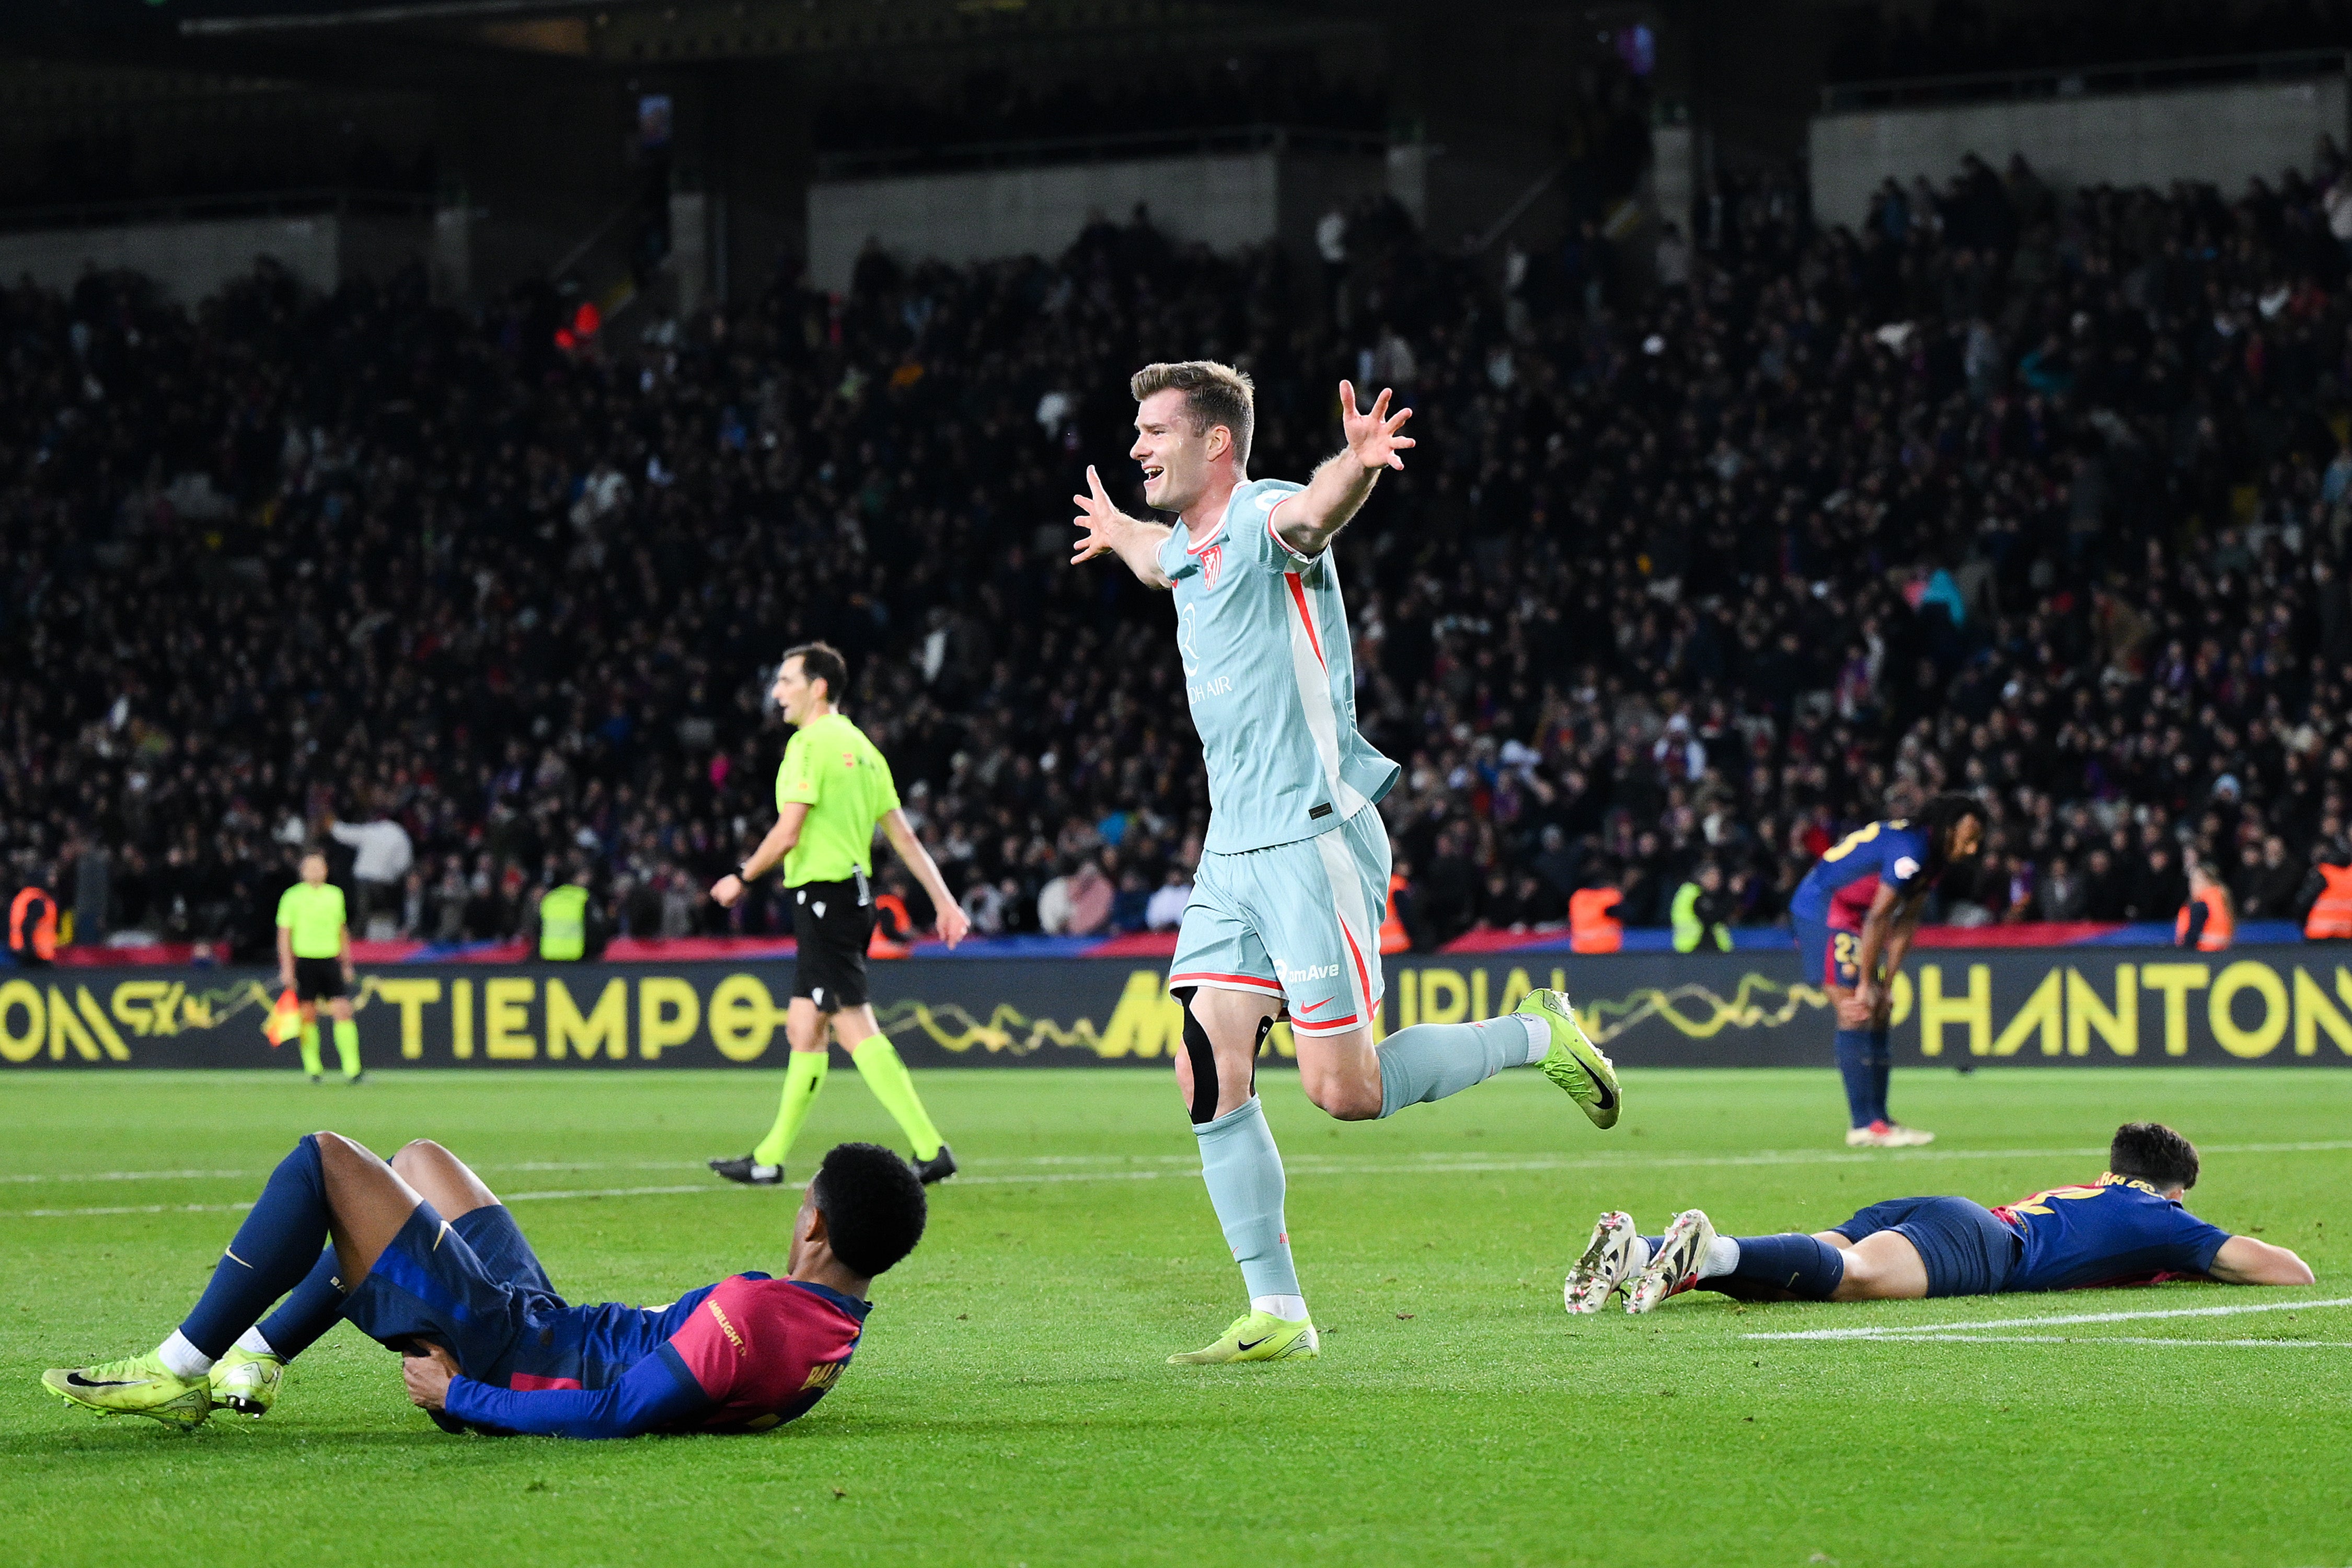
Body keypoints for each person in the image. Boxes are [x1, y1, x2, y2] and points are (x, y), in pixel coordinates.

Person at [1070, 360, 1621, 1366]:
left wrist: (1359, 464)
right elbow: (1160, 561)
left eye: (1155, 430)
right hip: (1230, 850)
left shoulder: (1265, 516)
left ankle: (1532, 1035)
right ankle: (1278, 1312)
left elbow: (1313, 517)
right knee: (1205, 1063)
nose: (1138, 445)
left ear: (1216, 444)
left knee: (1346, 1092)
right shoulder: (1191, 548)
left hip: (1312, 838)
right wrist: (1121, 538)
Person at [40, 1135, 923, 1435]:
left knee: (324, 1164)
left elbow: (620, 1412)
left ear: (813, 1224)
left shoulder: (750, 1316)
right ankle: (261, 1356)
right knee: (417, 1163)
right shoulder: (831, 1329)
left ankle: (180, 1368)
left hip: (510, 1355)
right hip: (548, 1325)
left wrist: (464, 1394)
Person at [707, 643, 972, 1189]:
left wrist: (742, 875)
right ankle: (768, 1158)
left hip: (824, 900)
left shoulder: (809, 745)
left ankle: (930, 1147)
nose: (778, 692)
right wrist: (945, 901)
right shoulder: (864, 749)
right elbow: (903, 837)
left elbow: (788, 831)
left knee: (853, 1026)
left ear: (818, 686)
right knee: (804, 1028)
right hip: (848, 899)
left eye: (786, 681)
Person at [1563, 1121, 2313, 1314]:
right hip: (1986, 1246)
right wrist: (2193, 1250)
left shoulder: (2091, 1190)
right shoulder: (2166, 1219)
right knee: (1851, 1280)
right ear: (2172, 1189)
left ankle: (1638, 1254)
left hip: (1942, 1211)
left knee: (1807, 1267)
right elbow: (2290, 1272)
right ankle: (1709, 1253)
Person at [1786, 795, 1985, 1148]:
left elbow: (1907, 921)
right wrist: (1866, 983)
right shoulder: (1912, 850)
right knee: (1858, 1010)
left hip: (1853, 916)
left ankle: (1880, 1121)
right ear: (1948, 827)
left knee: (1880, 1010)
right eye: (1968, 837)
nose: (1972, 849)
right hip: (1826, 908)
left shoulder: (1932, 859)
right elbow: (1880, 916)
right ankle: (1864, 1125)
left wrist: (1887, 984)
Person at [277, 849, 361, 1083]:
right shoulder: (292, 897)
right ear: (302, 871)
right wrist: (287, 968)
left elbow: (342, 931)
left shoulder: (335, 895)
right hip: (305, 961)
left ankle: (353, 1069)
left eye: (320, 867)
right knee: (308, 1015)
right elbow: (285, 935)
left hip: (329, 959)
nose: (315, 871)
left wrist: (347, 963)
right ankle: (314, 1069)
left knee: (343, 1011)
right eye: (310, 867)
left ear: (326, 871)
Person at [530, 863, 605, 961]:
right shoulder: (584, 897)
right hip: (577, 956)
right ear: (576, 877)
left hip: (549, 955)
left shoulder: (550, 898)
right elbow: (594, 928)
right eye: (585, 875)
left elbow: (538, 926)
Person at [1670, 859, 1733, 953]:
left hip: (1692, 949)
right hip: (1698, 949)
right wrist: (1733, 895)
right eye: (1714, 876)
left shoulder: (1688, 892)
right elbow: (1712, 917)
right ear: (1703, 877)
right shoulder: (1694, 895)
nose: (1718, 880)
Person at [2174, 858, 2234, 951]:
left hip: (2202, 955)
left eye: (2196, 881)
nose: (2192, 885)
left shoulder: (2201, 906)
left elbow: (2191, 938)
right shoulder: (2222, 899)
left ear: (2207, 882)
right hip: (2221, 953)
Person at [8, 875, 59, 967]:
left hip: (20, 950)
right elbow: (27, 926)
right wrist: (31, 952)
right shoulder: (37, 900)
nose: (53, 880)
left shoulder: (25, 896)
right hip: (36, 955)